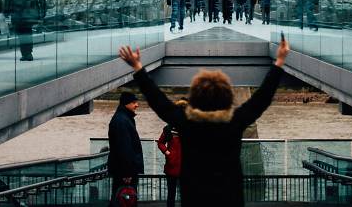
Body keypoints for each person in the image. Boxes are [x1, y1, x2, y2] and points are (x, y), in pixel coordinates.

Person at [118, 37, 290, 207]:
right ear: (227, 98)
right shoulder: (234, 122)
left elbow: (158, 100)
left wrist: (137, 67)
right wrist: (280, 60)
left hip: (195, 200)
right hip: (229, 200)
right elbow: (262, 99)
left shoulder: (187, 122)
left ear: (195, 97)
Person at [108, 91, 144, 204]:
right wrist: (126, 173)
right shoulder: (122, 121)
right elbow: (124, 148)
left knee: (120, 199)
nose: (137, 105)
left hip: (123, 170)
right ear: (126, 104)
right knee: (125, 200)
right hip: (125, 172)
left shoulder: (122, 119)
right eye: (134, 102)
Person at [157, 98, 187, 207]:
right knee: (171, 195)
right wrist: (167, 153)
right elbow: (160, 143)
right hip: (172, 166)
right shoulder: (168, 129)